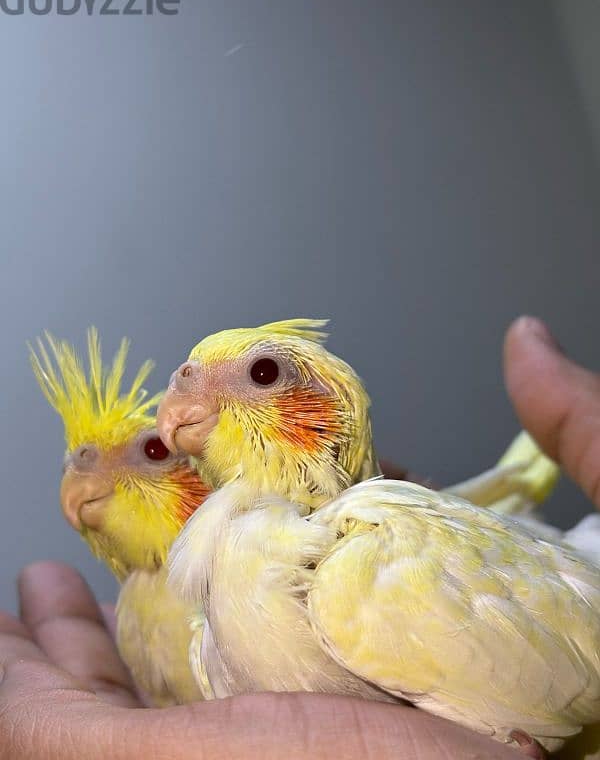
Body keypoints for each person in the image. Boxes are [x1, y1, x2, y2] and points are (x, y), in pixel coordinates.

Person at [0, 316, 596, 760]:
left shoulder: (365, 561)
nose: (182, 385)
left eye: (261, 375)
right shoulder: (215, 636)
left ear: (328, 417)